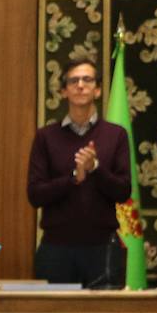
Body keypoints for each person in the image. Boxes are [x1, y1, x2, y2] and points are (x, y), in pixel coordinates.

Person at [27, 57, 131, 286]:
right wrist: (73, 178)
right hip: (56, 250)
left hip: (103, 248)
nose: (80, 85)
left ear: (97, 89)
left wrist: (95, 168)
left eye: (87, 79)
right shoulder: (46, 137)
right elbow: (35, 194)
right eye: (73, 81)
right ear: (64, 91)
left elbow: (123, 191)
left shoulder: (116, 135)